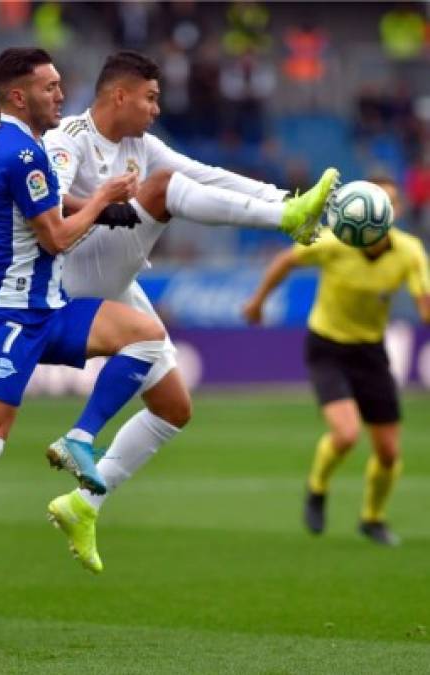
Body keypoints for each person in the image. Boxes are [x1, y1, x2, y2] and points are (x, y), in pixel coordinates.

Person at [0, 47, 170, 630]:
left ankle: (81, 437)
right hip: (9, 317)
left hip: (47, 307)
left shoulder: (22, 144)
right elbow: (58, 240)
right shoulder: (20, 151)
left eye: (60, 85)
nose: (61, 96)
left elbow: (46, 203)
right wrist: (100, 201)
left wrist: (102, 209)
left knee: (145, 334)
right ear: (19, 96)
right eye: (49, 88)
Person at [41, 50, 339, 572]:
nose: (156, 108)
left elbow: (213, 177)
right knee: (160, 191)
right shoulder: (68, 139)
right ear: (119, 95)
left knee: (173, 408)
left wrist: (284, 199)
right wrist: (109, 205)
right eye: (150, 97)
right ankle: (285, 218)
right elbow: (48, 207)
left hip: (117, 276)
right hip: (73, 272)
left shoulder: (141, 144)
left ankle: (84, 505)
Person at [243, 176, 430, 546]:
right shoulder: (334, 241)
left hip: (370, 352)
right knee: (346, 435)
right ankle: (317, 488)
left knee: (389, 453)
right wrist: (258, 302)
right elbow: (285, 261)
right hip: (327, 346)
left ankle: (372, 518)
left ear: (392, 211)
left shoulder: (410, 251)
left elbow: (424, 304)